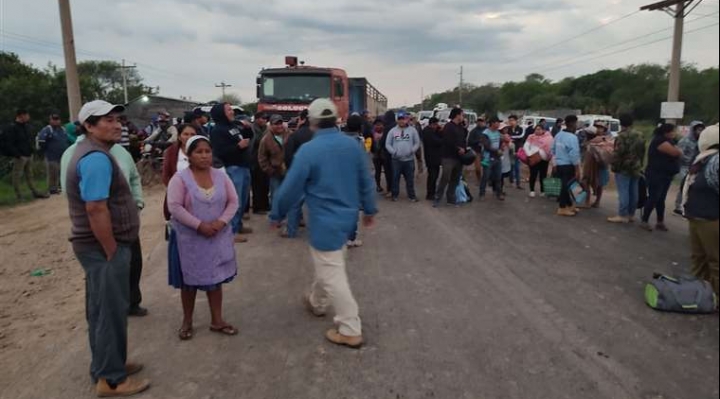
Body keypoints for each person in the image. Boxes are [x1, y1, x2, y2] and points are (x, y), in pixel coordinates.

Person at [271, 99, 378, 349]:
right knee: (330, 263)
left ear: (312, 121)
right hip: (346, 219)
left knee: (332, 273)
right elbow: (366, 179)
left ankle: (350, 327)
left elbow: (290, 188)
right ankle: (317, 302)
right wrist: (370, 209)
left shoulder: (309, 150)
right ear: (336, 119)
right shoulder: (352, 145)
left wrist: (277, 214)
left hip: (323, 221)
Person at [64, 100, 150, 397]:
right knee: (111, 313)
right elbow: (96, 208)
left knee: (101, 311)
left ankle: (106, 366)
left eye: (117, 119)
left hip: (97, 248)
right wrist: (111, 248)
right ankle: (112, 380)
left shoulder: (96, 152)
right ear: (88, 125)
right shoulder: (96, 159)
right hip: (103, 249)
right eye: (107, 120)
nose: (117, 125)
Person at [167, 136, 240, 341]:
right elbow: (175, 207)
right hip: (189, 240)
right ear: (189, 156)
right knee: (188, 283)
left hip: (216, 237)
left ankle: (217, 320)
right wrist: (199, 225)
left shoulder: (221, 176)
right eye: (199, 152)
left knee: (215, 280)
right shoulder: (180, 179)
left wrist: (220, 222)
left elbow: (233, 202)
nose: (204, 155)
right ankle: (187, 321)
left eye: (207, 151)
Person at [682, 124, 719, 295]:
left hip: (710, 217)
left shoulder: (715, 160)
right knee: (699, 259)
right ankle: (698, 293)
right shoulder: (704, 158)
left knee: (714, 261)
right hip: (697, 215)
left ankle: (714, 296)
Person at [210, 103, 254, 244]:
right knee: (235, 202)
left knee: (243, 199)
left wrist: (247, 129)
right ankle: (232, 231)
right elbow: (219, 152)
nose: (232, 112)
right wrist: (237, 147)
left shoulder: (233, 126)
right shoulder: (218, 130)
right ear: (221, 113)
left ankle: (238, 225)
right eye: (228, 110)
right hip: (232, 168)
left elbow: (247, 137)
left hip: (243, 166)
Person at [640, 124, 682, 232]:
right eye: (673, 131)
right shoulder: (659, 141)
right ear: (666, 132)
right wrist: (678, 151)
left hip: (665, 174)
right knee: (654, 197)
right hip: (656, 174)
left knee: (661, 198)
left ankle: (660, 221)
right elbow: (675, 152)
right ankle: (644, 220)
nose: (674, 133)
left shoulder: (669, 141)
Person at [608, 115, 646, 224]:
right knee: (634, 191)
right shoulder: (640, 135)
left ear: (621, 124)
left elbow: (619, 153)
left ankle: (622, 215)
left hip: (624, 167)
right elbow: (642, 151)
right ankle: (631, 214)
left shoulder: (622, 136)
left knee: (623, 191)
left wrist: (613, 163)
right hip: (636, 166)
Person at [5, 109, 49, 200]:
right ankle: (19, 195)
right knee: (17, 176)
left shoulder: (26, 127)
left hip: (28, 154)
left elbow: (28, 140)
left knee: (30, 175)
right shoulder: (13, 128)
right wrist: (17, 154)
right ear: (21, 116)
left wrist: (32, 150)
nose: (28, 117)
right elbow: (9, 143)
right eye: (26, 115)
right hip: (20, 156)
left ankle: (35, 192)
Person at [162, 124, 198, 219]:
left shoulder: (204, 151)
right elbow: (166, 176)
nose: (189, 137)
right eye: (185, 134)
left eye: (192, 134)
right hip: (179, 198)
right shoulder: (171, 152)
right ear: (179, 136)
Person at [434, 108, 466, 207]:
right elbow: (448, 141)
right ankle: (437, 198)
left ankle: (450, 198)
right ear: (457, 115)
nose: (463, 117)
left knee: (455, 179)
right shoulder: (448, 126)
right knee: (445, 177)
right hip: (448, 157)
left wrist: (464, 149)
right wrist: (458, 149)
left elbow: (464, 140)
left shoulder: (461, 127)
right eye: (462, 115)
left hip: (459, 158)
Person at [386, 112, 421, 202]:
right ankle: (394, 195)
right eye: (399, 119)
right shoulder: (392, 131)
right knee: (395, 178)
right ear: (397, 120)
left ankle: (412, 196)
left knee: (410, 179)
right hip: (396, 160)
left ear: (407, 120)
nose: (401, 121)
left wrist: (412, 150)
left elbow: (417, 143)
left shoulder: (412, 130)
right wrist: (394, 152)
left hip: (409, 160)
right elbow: (388, 144)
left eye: (403, 119)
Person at [551, 115, 582, 217]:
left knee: (565, 185)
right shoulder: (573, 138)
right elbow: (574, 154)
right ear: (573, 124)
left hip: (559, 165)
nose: (577, 125)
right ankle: (562, 207)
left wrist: (554, 164)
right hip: (568, 165)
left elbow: (553, 150)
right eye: (576, 123)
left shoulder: (558, 135)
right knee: (565, 186)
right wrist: (577, 169)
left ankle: (569, 205)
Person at [674, 121, 705, 216]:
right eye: (698, 129)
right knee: (685, 185)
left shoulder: (702, 141)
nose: (700, 131)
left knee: (693, 187)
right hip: (684, 167)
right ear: (693, 129)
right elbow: (679, 153)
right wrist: (689, 160)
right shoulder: (685, 141)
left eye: (701, 129)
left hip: (695, 166)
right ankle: (678, 206)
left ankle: (689, 206)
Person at [581, 123, 614, 208]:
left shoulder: (605, 140)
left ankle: (596, 201)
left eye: (601, 128)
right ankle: (588, 201)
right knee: (586, 182)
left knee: (599, 184)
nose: (599, 129)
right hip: (591, 165)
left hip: (600, 165)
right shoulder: (591, 138)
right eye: (597, 127)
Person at [259, 115, 290, 200]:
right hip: (275, 173)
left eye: (280, 123)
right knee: (275, 197)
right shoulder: (265, 139)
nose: (279, 126)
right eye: (276, 124)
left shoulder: (290, 134)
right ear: (271, 125)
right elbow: (262, 157)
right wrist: (269, 170)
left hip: (289, 172)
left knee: (289, 196)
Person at [37, 113, 69, 195]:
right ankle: (52, 188)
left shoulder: (63, 129)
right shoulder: (47, 129)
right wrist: (45, 152)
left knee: (59, 171)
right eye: (54, 119)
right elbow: (41, 142)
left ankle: (58, 187)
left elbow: (66, 140)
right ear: (50, 120)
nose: (56, 121)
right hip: (51, 155)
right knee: (52, 172)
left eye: (57, 119)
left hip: (61, 155)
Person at [479, 117, 505, 201]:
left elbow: (500, 142)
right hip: (488, 158)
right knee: (485, 177)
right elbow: (487, 146)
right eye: (497, 122)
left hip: (497, 158)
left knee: (498, 177)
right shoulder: (485, 133)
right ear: (492, 123)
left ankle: (499, 193)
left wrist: (501, 148)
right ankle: (482, 193)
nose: (499, 124)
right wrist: (497, 151)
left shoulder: (498, 133)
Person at [525, 125, 554, 198]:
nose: (537, 131)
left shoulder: (549, 138)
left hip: (544, 160)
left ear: (543, 130)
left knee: (543, 175)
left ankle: (542, 191)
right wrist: (531, 154)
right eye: (536, 129)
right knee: (533, 175)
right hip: (533, 159)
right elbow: (526, 146)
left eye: (539, 129)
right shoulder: (531, 137)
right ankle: (532, 190)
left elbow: (551, 148)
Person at [251, 112, 271, 215]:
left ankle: (265, 205)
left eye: (266, 118)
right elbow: (255, 142)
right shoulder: (252, 129)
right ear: (257, 119)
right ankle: (257, 207)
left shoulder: (266, 129)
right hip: (254, 160)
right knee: (257, 185)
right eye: (263, 118)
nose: (264, 120)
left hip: (265, 160)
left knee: (265, 184)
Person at [422, 117, 443, 201]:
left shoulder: (434, 131)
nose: (437, 126)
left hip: (436, 158)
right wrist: (443, 139)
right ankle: (430, 194)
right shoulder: (427, 131)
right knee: (432, 176)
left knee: (435, 176)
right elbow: (436, 141)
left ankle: (432, 192)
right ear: (432, 124)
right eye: (436, 124)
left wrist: (439, 130)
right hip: (431, 158)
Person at [379, 110, 397, 198]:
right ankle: (394, 190)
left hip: (388, 153)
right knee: (395, 172)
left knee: (389, 172)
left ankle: (390, 190)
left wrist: (378, 147)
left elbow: (383, 141)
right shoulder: (397, 126)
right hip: (397, 152)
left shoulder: (388, 127)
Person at [508, 115, 526, 190]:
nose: (511, 122)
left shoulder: (521, 129)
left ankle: (518, 184)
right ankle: (511, 181)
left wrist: (511, 138)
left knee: (517, 167)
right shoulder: (508, 129)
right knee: (510, 167)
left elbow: (521, 137)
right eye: (510, 120)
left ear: (516, 121)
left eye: (512, 120)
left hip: (517, 151)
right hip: (509, 151)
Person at [468, 118, 487, 183]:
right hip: (477, 151)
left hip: (486, 151)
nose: (480, 123)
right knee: (478, 168)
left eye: (481, 121)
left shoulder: (487, 130)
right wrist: (478, 142)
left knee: (487, 166)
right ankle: (479, 179)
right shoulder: (473, 131)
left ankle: (487, 179)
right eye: (479, 121)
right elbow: (469, 142)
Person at [371, 118, 386, 192]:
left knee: (386, 171)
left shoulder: (386, 133)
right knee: (378, 171)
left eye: (380, 125)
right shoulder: (372, 134)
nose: (378, 126)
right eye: (376, 125)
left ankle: (388, 187)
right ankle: (378, 186)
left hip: (384, 155)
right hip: (376, 156)